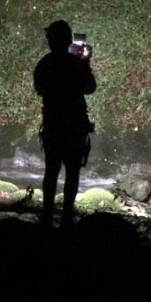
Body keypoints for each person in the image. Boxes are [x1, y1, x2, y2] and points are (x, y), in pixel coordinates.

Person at [33, 20, 97, 228]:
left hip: (53, 124)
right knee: (72, 172)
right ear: (69, 40)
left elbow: (39, 89)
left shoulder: (45, 63)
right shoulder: (76, 63)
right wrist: (85, 63)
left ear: (51, 40)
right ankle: (66, 217)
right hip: (74, 125)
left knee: (51, 170)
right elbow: (90, 88)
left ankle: (47, 216)